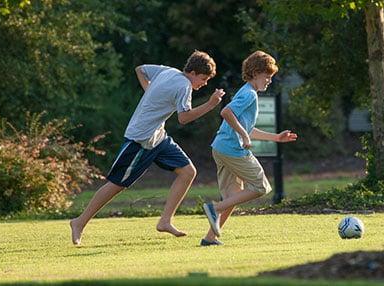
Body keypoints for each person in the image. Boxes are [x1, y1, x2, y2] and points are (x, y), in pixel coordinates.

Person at [70, 50, 225, 245]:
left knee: (188, 172)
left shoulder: (169, 71)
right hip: (140, 139)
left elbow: (140, 70)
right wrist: (211, 104)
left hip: (157, 137)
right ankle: (79, 222)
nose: (204, 84)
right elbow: (184, 118)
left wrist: (150, 91)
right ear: (192, 72)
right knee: (117, 184)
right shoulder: (184, 85)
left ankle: (165, 220)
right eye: (203, 79)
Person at [200, 51, 297, 246]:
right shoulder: (249, 94)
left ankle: (209, 238)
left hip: (220, 148)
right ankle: (214, 208)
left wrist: (276, 138)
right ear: (255, 72)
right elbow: (225, 112)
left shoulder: (246, 92)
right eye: (267, 76)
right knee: (261, 187)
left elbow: (248, 129)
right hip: (233, 150)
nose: (269, 80)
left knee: (233, 197)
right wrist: (243, 136)